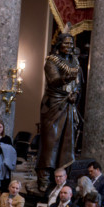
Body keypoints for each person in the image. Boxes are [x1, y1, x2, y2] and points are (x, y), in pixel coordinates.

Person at [36, 29, 82, 191]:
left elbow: (78, 85)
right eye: (66, 43)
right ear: (59, 45)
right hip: (54, 104)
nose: (69, 46)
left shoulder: (74, 62)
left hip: (69, 105)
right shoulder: (51, 61)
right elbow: (54, 80)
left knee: (66, 141)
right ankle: (44, 176)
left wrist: (75, 94)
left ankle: (61, 175)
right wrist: (67, 78)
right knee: (51, 142)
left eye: (71, 44)